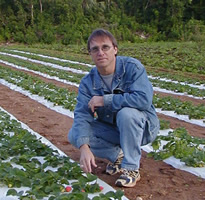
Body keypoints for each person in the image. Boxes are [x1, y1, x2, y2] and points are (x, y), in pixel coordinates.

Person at [68, 28, 159, 188]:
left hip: (142, 129)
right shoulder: (88, 82)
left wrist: (106, 100)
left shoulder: (132, 68)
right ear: (90, 53)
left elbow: (144, 99)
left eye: (105, 47)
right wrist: (84, 147)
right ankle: (118, 155)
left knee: (127, 113)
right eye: (95, 49)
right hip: (114, 130)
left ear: (115, 49)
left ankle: (131, 169)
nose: (100, 53)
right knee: (75, 134)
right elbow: (82, 115)